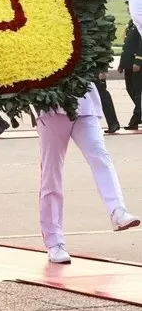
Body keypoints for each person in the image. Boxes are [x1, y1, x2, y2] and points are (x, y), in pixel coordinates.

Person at [36, 82, 140, 263]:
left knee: (100, 157)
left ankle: (117, 211)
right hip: (51, 109)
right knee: (51, 173)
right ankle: (54, 242)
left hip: (85, 106)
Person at [115, 0, 142, 133]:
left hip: (137, 65)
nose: (127, 7)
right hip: (129, 64)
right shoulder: (133, 22)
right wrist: (122, 64)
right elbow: (127, 45)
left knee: (137, 92)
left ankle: (136, 118)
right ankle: (138, 115)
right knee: (131, 90)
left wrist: (138, 61)